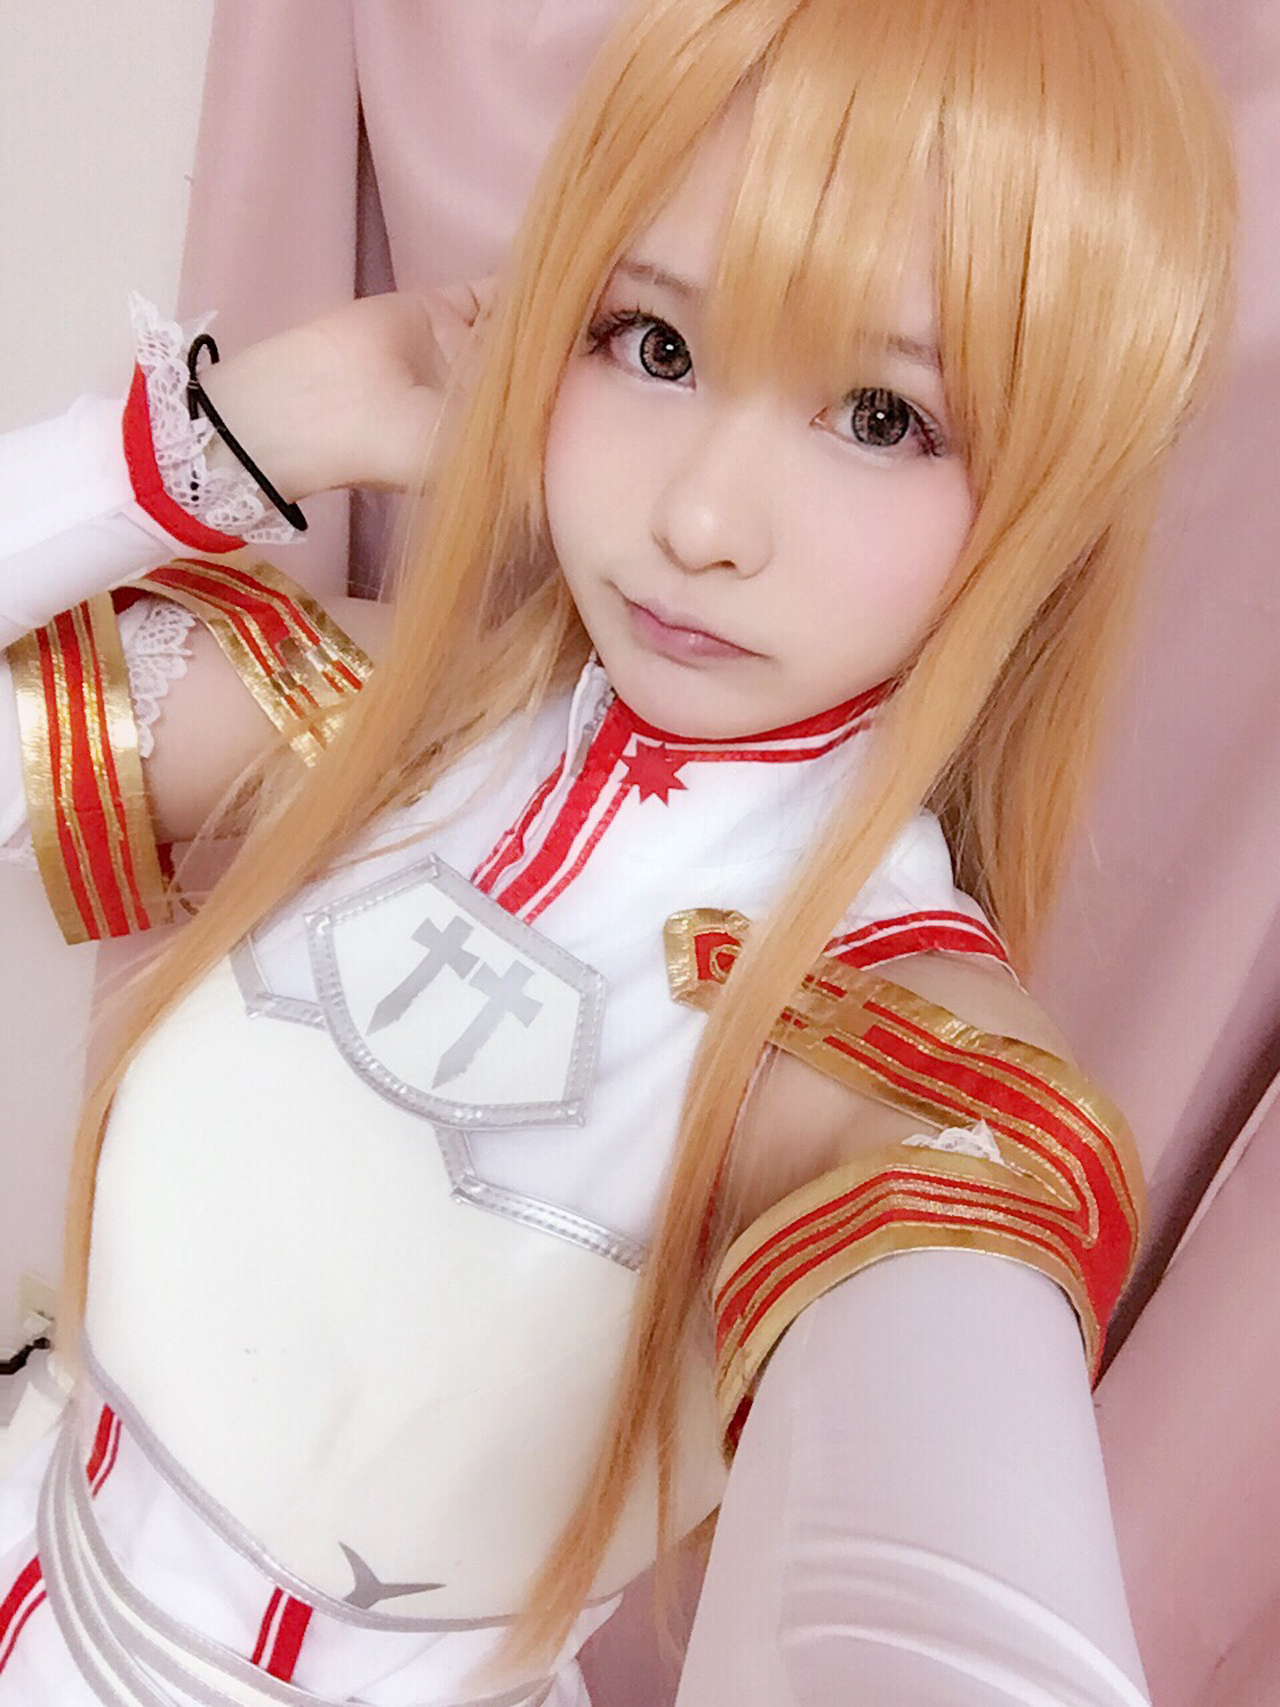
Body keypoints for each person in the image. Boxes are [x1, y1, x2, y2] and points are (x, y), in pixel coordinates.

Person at [0, 0, 1237, 1701]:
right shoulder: (365, 727)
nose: (698, 521)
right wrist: (233, 432)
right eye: (653, 343)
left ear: (1046, 492)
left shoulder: (878, 1037)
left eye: (882, 416)